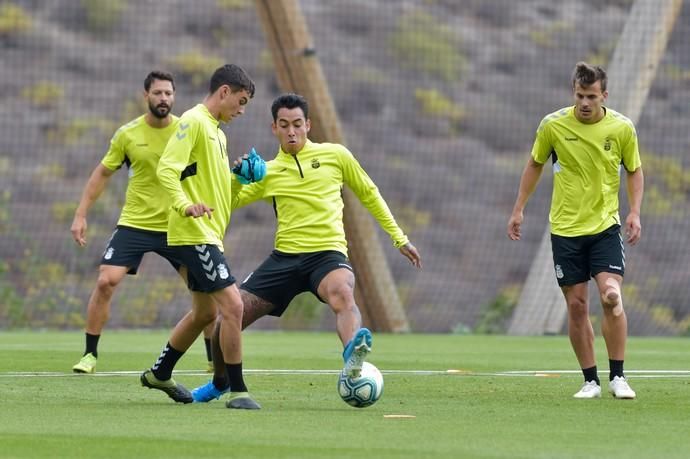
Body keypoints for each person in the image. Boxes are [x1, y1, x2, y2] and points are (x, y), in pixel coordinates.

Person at [191, 92, 422, 403]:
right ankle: (220, 382)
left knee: (342, 293)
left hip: (327, 255)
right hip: (284, 259)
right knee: (226, 320)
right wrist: (237, 180)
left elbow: (369, 193)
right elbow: (225, 204)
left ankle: (353, 362)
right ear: (273, 127)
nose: (291, 131)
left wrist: (399, 237)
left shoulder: (336, 155)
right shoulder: (266, 171)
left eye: (297, 124)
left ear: (308, 125)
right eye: (284, 125)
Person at [507, 62, 644, 399]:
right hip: (565, 231)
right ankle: (591, 381)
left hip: (605, 227)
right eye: (580, 95)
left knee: (611, 297)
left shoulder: (622, 128)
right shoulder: (552, 125)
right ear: (574, 93)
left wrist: (635, 213)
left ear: (604, 96)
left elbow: (635, 170)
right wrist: (519, 208)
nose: (585, 102)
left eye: (591, 96)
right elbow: (535, 164)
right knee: (577, 307)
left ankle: (618, 377)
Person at [70, 71, 215, 375]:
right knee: (105, 281)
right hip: (135, 224)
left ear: (174, 97)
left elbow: (205, 172)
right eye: (158, 93)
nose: (164, 99)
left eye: (169, 93)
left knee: (205, 290)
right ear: (146, 95)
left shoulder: (186, 130)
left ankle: (213, 359)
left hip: (179, 224)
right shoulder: (128, 134)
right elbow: (102, 173)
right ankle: (89, 355)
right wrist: (81, 214)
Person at [139, 64, 262, 409]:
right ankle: (237, 390)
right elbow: (167, 168)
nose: (241, 110)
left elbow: (225, 196)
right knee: (234, 305)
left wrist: (240, 179)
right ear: (224, 92)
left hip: (209, 234)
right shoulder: (193, 121)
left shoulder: (218, 134)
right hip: (194, 234)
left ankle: (159, 373)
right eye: (240, 101)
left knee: (205, 315)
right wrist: (184, 205)